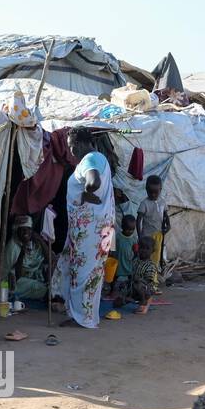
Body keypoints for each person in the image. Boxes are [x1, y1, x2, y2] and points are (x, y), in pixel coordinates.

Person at [50, 127, 115, 328]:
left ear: (81, 144)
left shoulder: (89, 160)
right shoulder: (101, 158)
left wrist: (87, 190)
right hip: (100, 228)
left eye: (72, 147)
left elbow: (93, 181)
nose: (71, 152)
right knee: (81, 269)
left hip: (90, 231)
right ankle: (77, 311)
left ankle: (83, 319)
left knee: (83, 273)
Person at [5, 214, 48, 301]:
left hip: (34, 278)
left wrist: (41, 240)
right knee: (39, 288)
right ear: (17, 231)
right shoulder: (13, 246)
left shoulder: (35, 243)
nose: (26, 232)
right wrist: (22, 253)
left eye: (28, 229)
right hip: (15, 281)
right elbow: (17, 276)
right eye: (22, 229)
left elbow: (50, 259)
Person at [135, 174, 170, 278]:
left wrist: (168, 225)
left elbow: (165, 215)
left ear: (161, 189)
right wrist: (140, 235)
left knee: (155, 259)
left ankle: (152, 281)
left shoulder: (162, 202)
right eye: (150, 192)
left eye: (156, 192)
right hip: (147, 236)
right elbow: (139, 220)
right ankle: (143, 278)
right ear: (146, 190)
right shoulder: (144, 203)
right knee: (146, 258)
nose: (153, 194)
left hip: (158, 235)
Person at [107, 213, 140, 303]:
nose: (130, 231)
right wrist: (111, 255)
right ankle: (112, 291)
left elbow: (135, 249)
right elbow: (112, 247)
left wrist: (136, 256)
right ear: (122, 226)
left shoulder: (133, 238)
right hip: (118, 262)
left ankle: (129, 292)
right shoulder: (117, 236)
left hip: (128, 261)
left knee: (130, 277)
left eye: (132, 230)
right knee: (114, 277)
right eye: (128, 229)